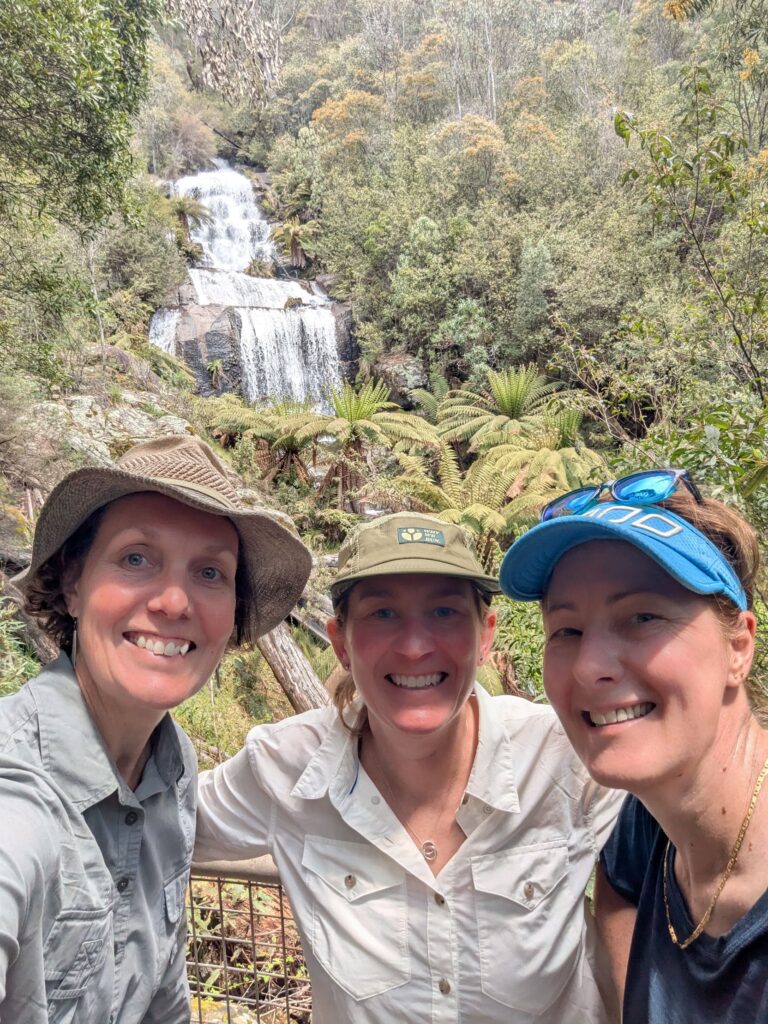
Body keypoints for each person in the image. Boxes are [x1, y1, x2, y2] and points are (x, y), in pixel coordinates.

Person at [195, 510, 622, 1023]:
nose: (416, 646)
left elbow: (695, 837)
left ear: (485, 635)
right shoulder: (284, 768)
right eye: (382, 614)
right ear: (340, 643)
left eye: (444, 613)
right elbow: (149, 816)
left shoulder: (566, 756)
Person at [0, 434, 312, 1024]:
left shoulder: (174, 772)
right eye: (136, 558)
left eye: (211, 572)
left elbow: (163, 1000)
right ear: (72, 583)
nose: (173, 601)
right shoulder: (16, 789)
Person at [498, 469, 768, 1023]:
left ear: (737, 646)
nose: (590, 667)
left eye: (642, 617)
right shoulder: (648, 818)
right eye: (566, 631)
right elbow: (618, 885)